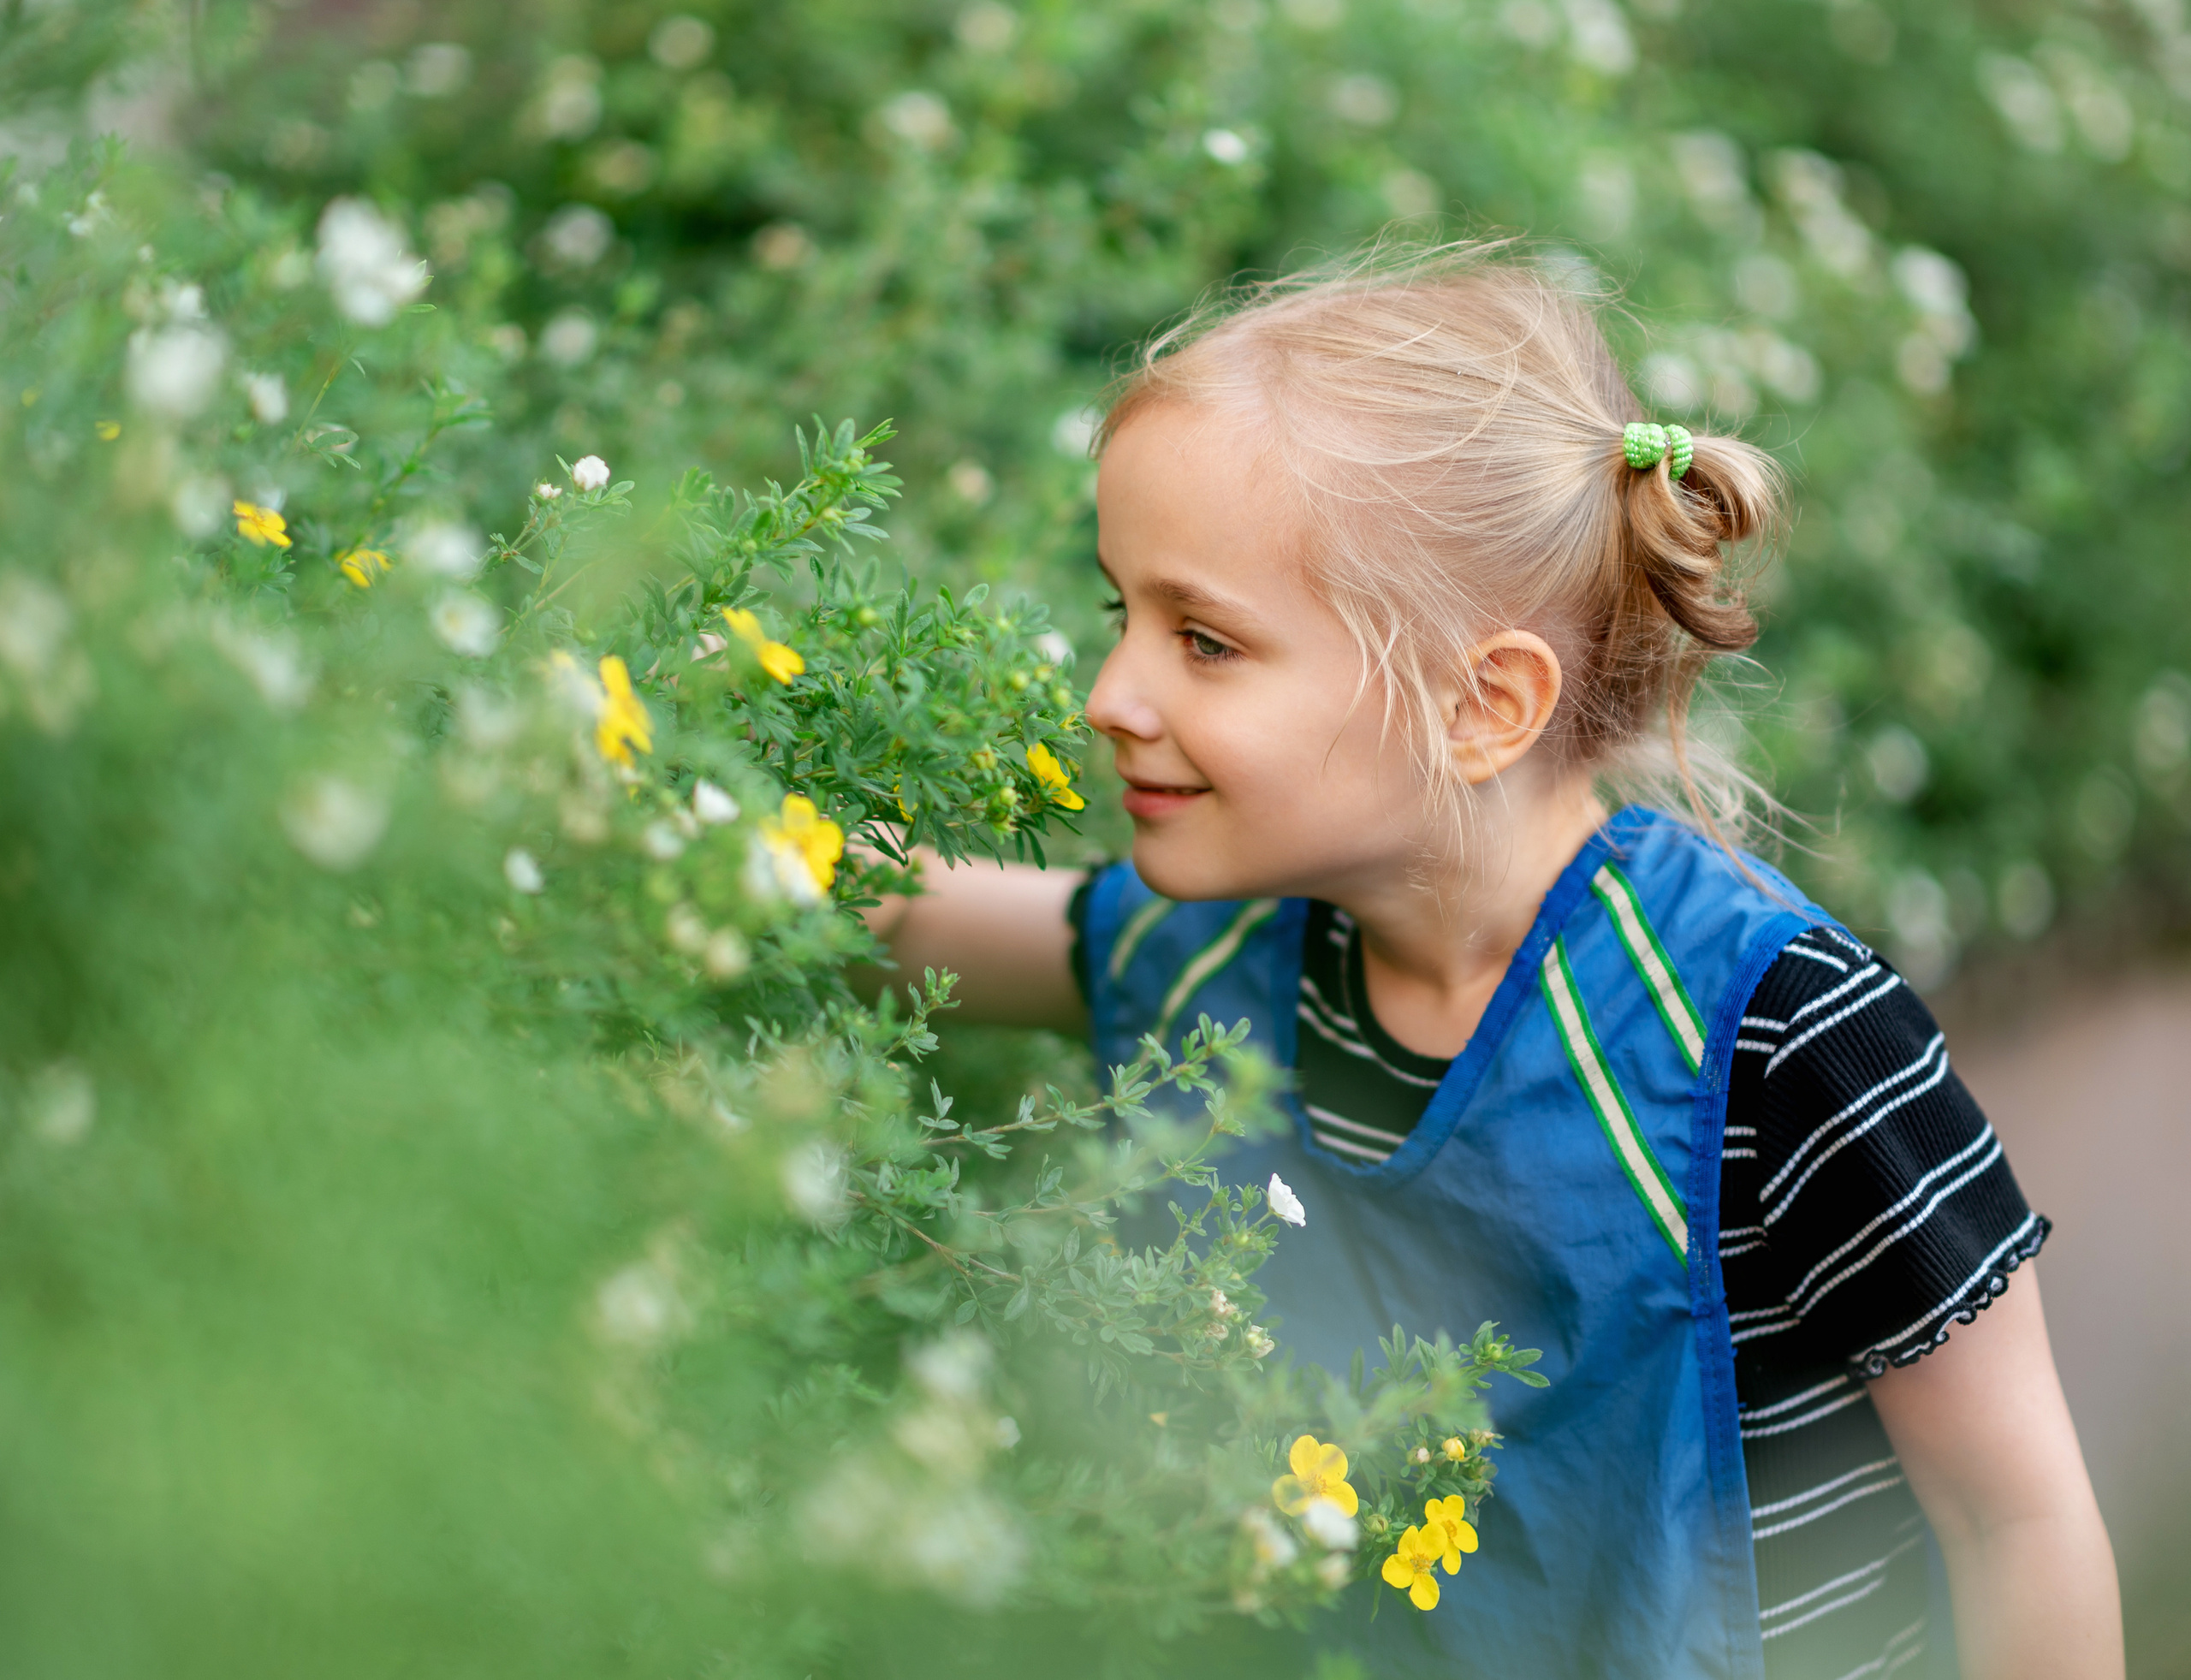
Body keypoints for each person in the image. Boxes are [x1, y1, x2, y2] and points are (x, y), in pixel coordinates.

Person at [862, 247, 2121, 1680]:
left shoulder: (1780, 1033)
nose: (1111, 696)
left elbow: (2013, 1516)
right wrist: (674, 822)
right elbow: (895, 927)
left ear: (1483, 705)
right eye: (1121, 616)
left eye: (1204, 641)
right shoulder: (1217, 947)